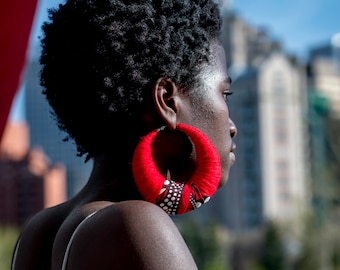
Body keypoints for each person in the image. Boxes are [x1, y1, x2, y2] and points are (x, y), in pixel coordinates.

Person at [12, 0, 237, 269]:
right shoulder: (137, 225)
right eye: (225, 94)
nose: (232, 126)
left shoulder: (38, 231)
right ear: (166, 101)